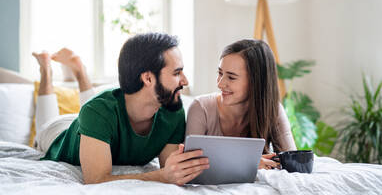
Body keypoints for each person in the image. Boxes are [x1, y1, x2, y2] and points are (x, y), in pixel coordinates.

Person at [32, 33, 209, 185]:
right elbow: (96, 180)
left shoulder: (172, 110)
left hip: (96, 121)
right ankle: (46, 70)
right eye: (177, 73)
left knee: (97, 111)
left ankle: (79, 70)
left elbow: (170, 169)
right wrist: (160, 177)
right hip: (60, 131)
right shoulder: (97, 111)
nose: (185, 81)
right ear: (148, 78)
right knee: (46, 126)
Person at [185, 39, 296, 170]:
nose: (220, 84)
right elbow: (189, 165)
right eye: (220, 73)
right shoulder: (200, 108)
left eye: (231, 77)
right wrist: (247, 163)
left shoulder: (273, 110)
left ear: (256, 82)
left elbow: (293, 161)